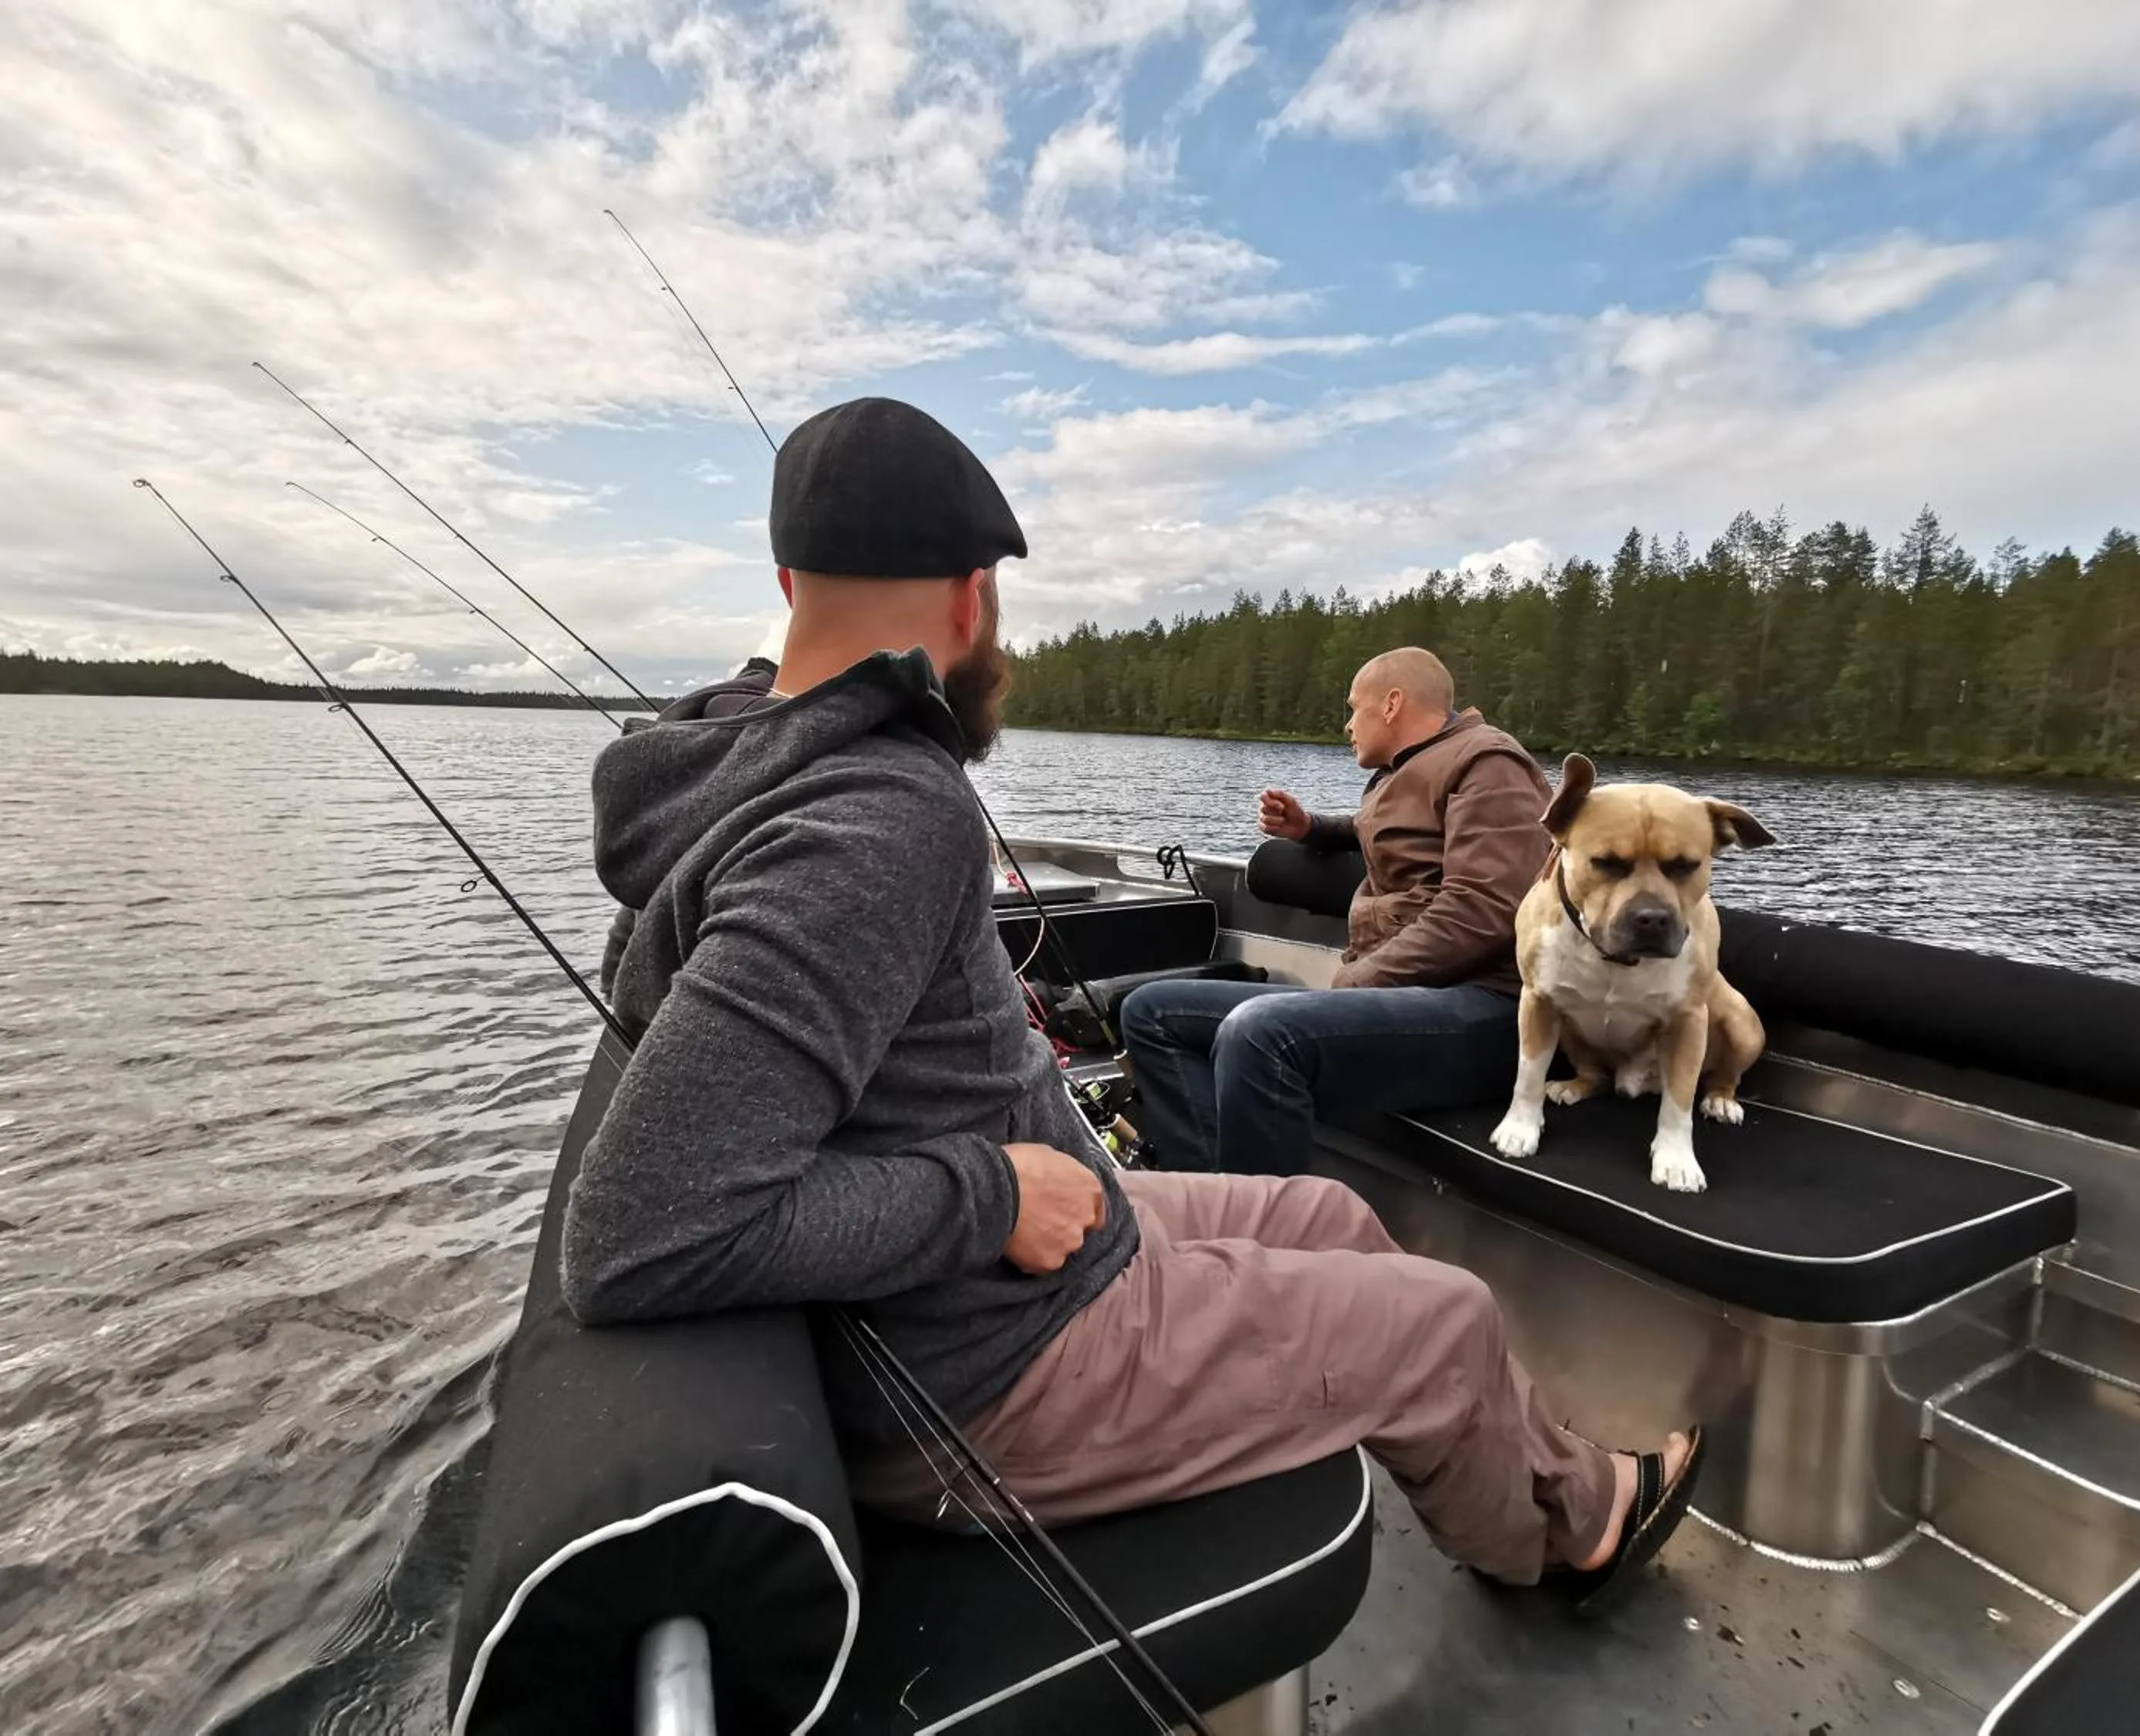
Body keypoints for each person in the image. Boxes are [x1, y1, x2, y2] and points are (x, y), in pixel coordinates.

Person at [559, 395, 1700, 1613]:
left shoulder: (752, 765)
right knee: (1446, 1318)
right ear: (971, 596)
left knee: (1325, 1211)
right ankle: (1573, 1536)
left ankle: (1508, 1475)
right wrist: (991, 1195)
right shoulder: (875, 817)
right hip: (999, 1372)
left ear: (788, 581)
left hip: (1005, 1281)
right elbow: (641, 1234)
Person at [1119, 648, 1549, 1176]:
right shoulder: (1412, 768)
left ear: (1391, 704)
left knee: (1259, 1031)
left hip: (1486, 1007)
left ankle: (1266, 1238)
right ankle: (1215, 1195)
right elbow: (1392, 829)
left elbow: (1485, 907)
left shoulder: (1489, 762)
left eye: (1354, 707)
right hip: (1409, 995)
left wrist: (1360, 980)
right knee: (1150, 1012)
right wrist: (1311, 828)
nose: (1348, 724)